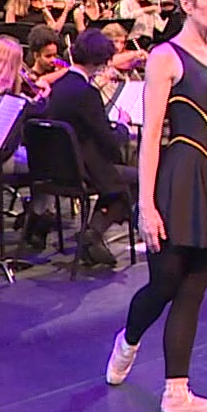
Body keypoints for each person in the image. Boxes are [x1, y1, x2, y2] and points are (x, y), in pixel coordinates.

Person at [104, 0, 207, 412]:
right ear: (186, 3)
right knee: (164, 283)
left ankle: (176, 392)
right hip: (178, 180)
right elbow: (150, 136)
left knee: (194, 289)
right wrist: (146, 205)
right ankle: (128, 340)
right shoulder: (166, 56)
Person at [42, 29, 139, 267]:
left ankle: (92, 235)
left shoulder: (61, 85)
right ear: (101, 61)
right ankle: (93, 234)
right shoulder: (87, 93)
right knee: (137, 179)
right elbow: (108, 139)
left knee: (118, 177)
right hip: (81, 169)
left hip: (56, 167)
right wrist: (124, 127)